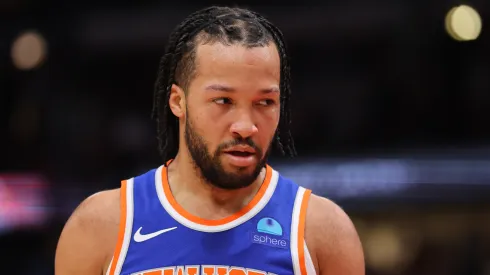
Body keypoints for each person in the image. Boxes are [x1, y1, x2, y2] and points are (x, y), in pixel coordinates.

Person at [55, 6, 364, 275]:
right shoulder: (99, 226)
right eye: (223, 101)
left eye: (265, 103)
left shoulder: (325, 232)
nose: (246, 126)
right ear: (178, 101)